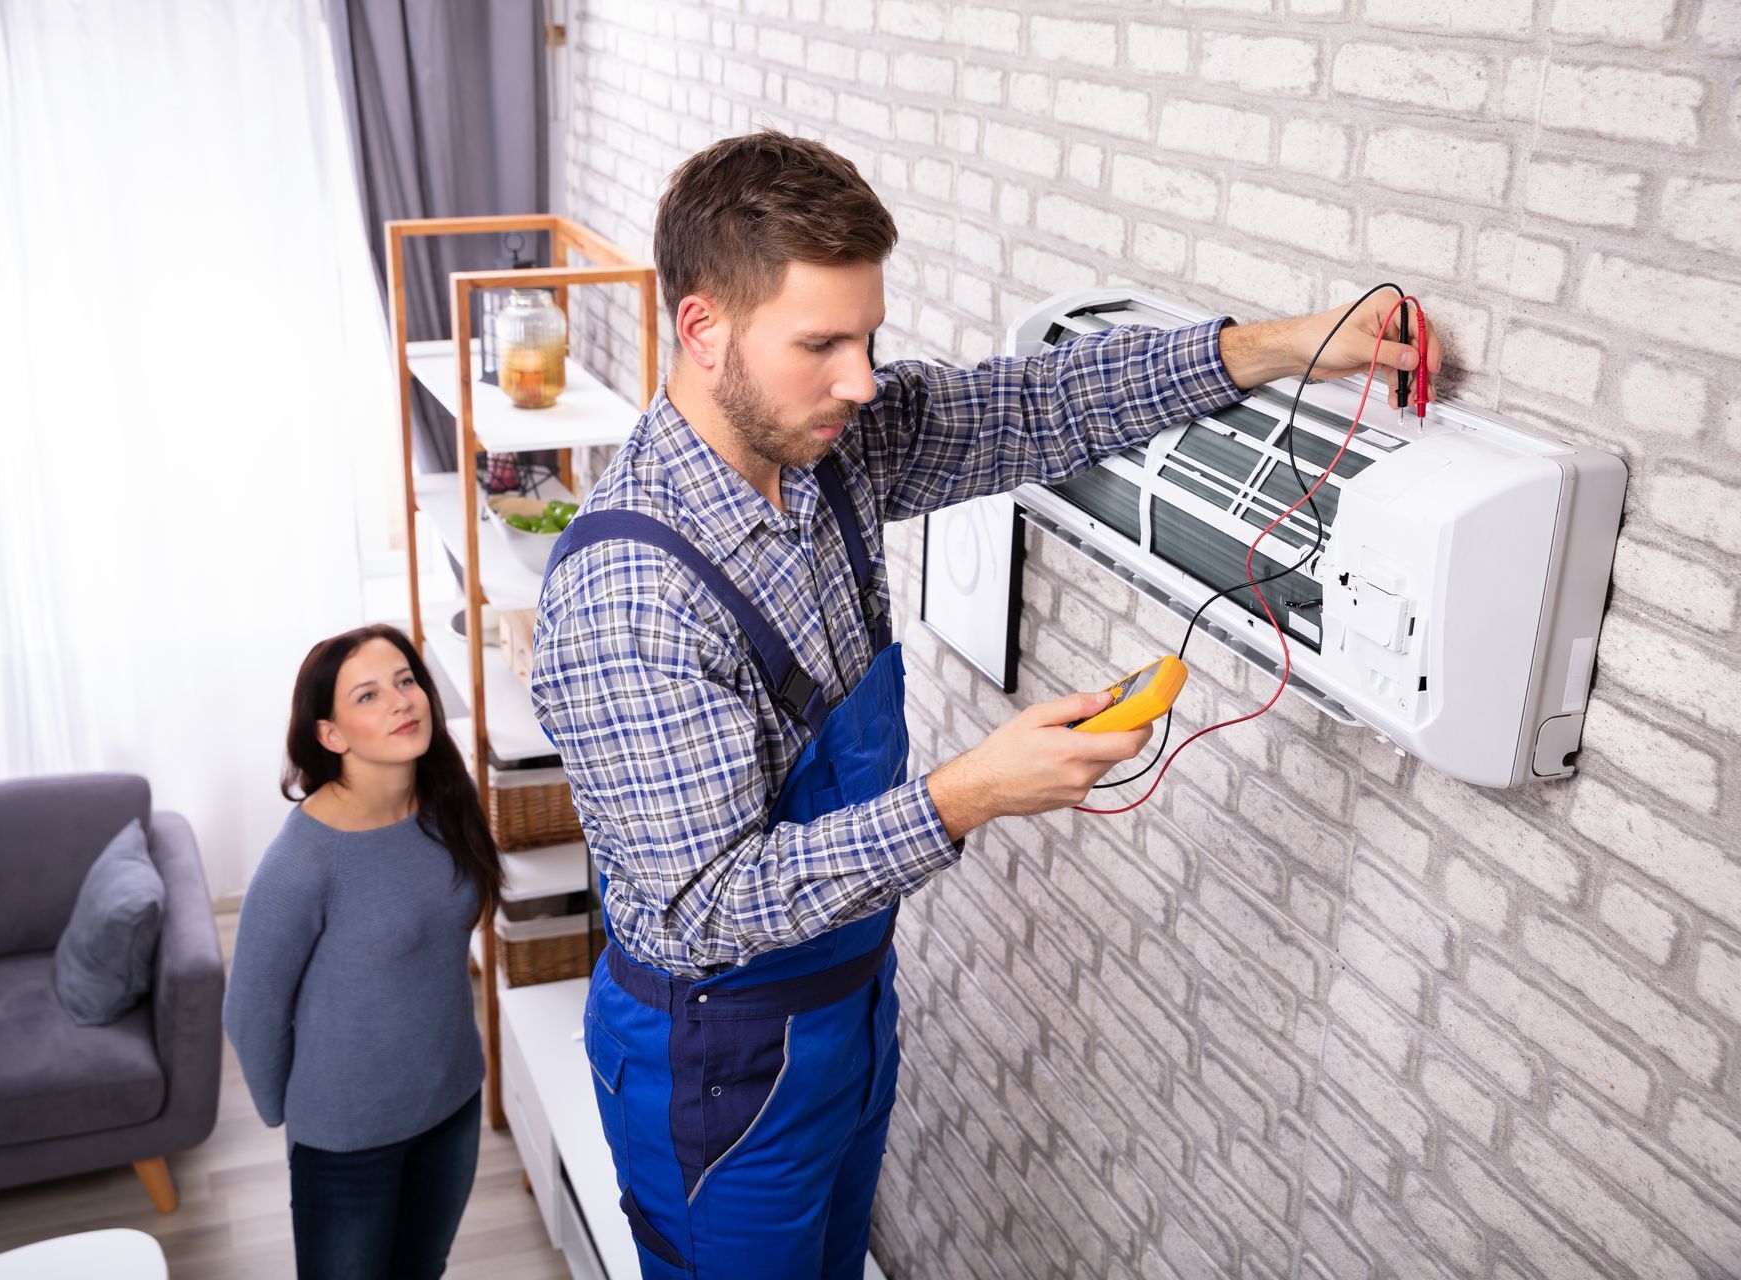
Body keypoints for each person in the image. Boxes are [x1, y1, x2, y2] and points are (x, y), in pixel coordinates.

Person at [530, 131, 1443, 1280]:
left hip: (849, 1005)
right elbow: (708, 907)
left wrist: (1293, 344)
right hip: (716, 1066)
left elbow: (1042, 403)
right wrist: (968, 795)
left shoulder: (831, 453)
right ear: (703, 329)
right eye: (821, 344)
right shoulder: (632, 593)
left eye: (867, 337)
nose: (860, 379)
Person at [224, 623, 502, 1280]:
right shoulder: (302, 861)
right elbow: (250, 1009)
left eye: (406, 681)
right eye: (370, 695)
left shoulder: (447, 805)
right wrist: (291, 1113)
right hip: (347, 1138)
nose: (402, 701)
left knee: (422, 1269)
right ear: (332, 735)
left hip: (451, 1102)